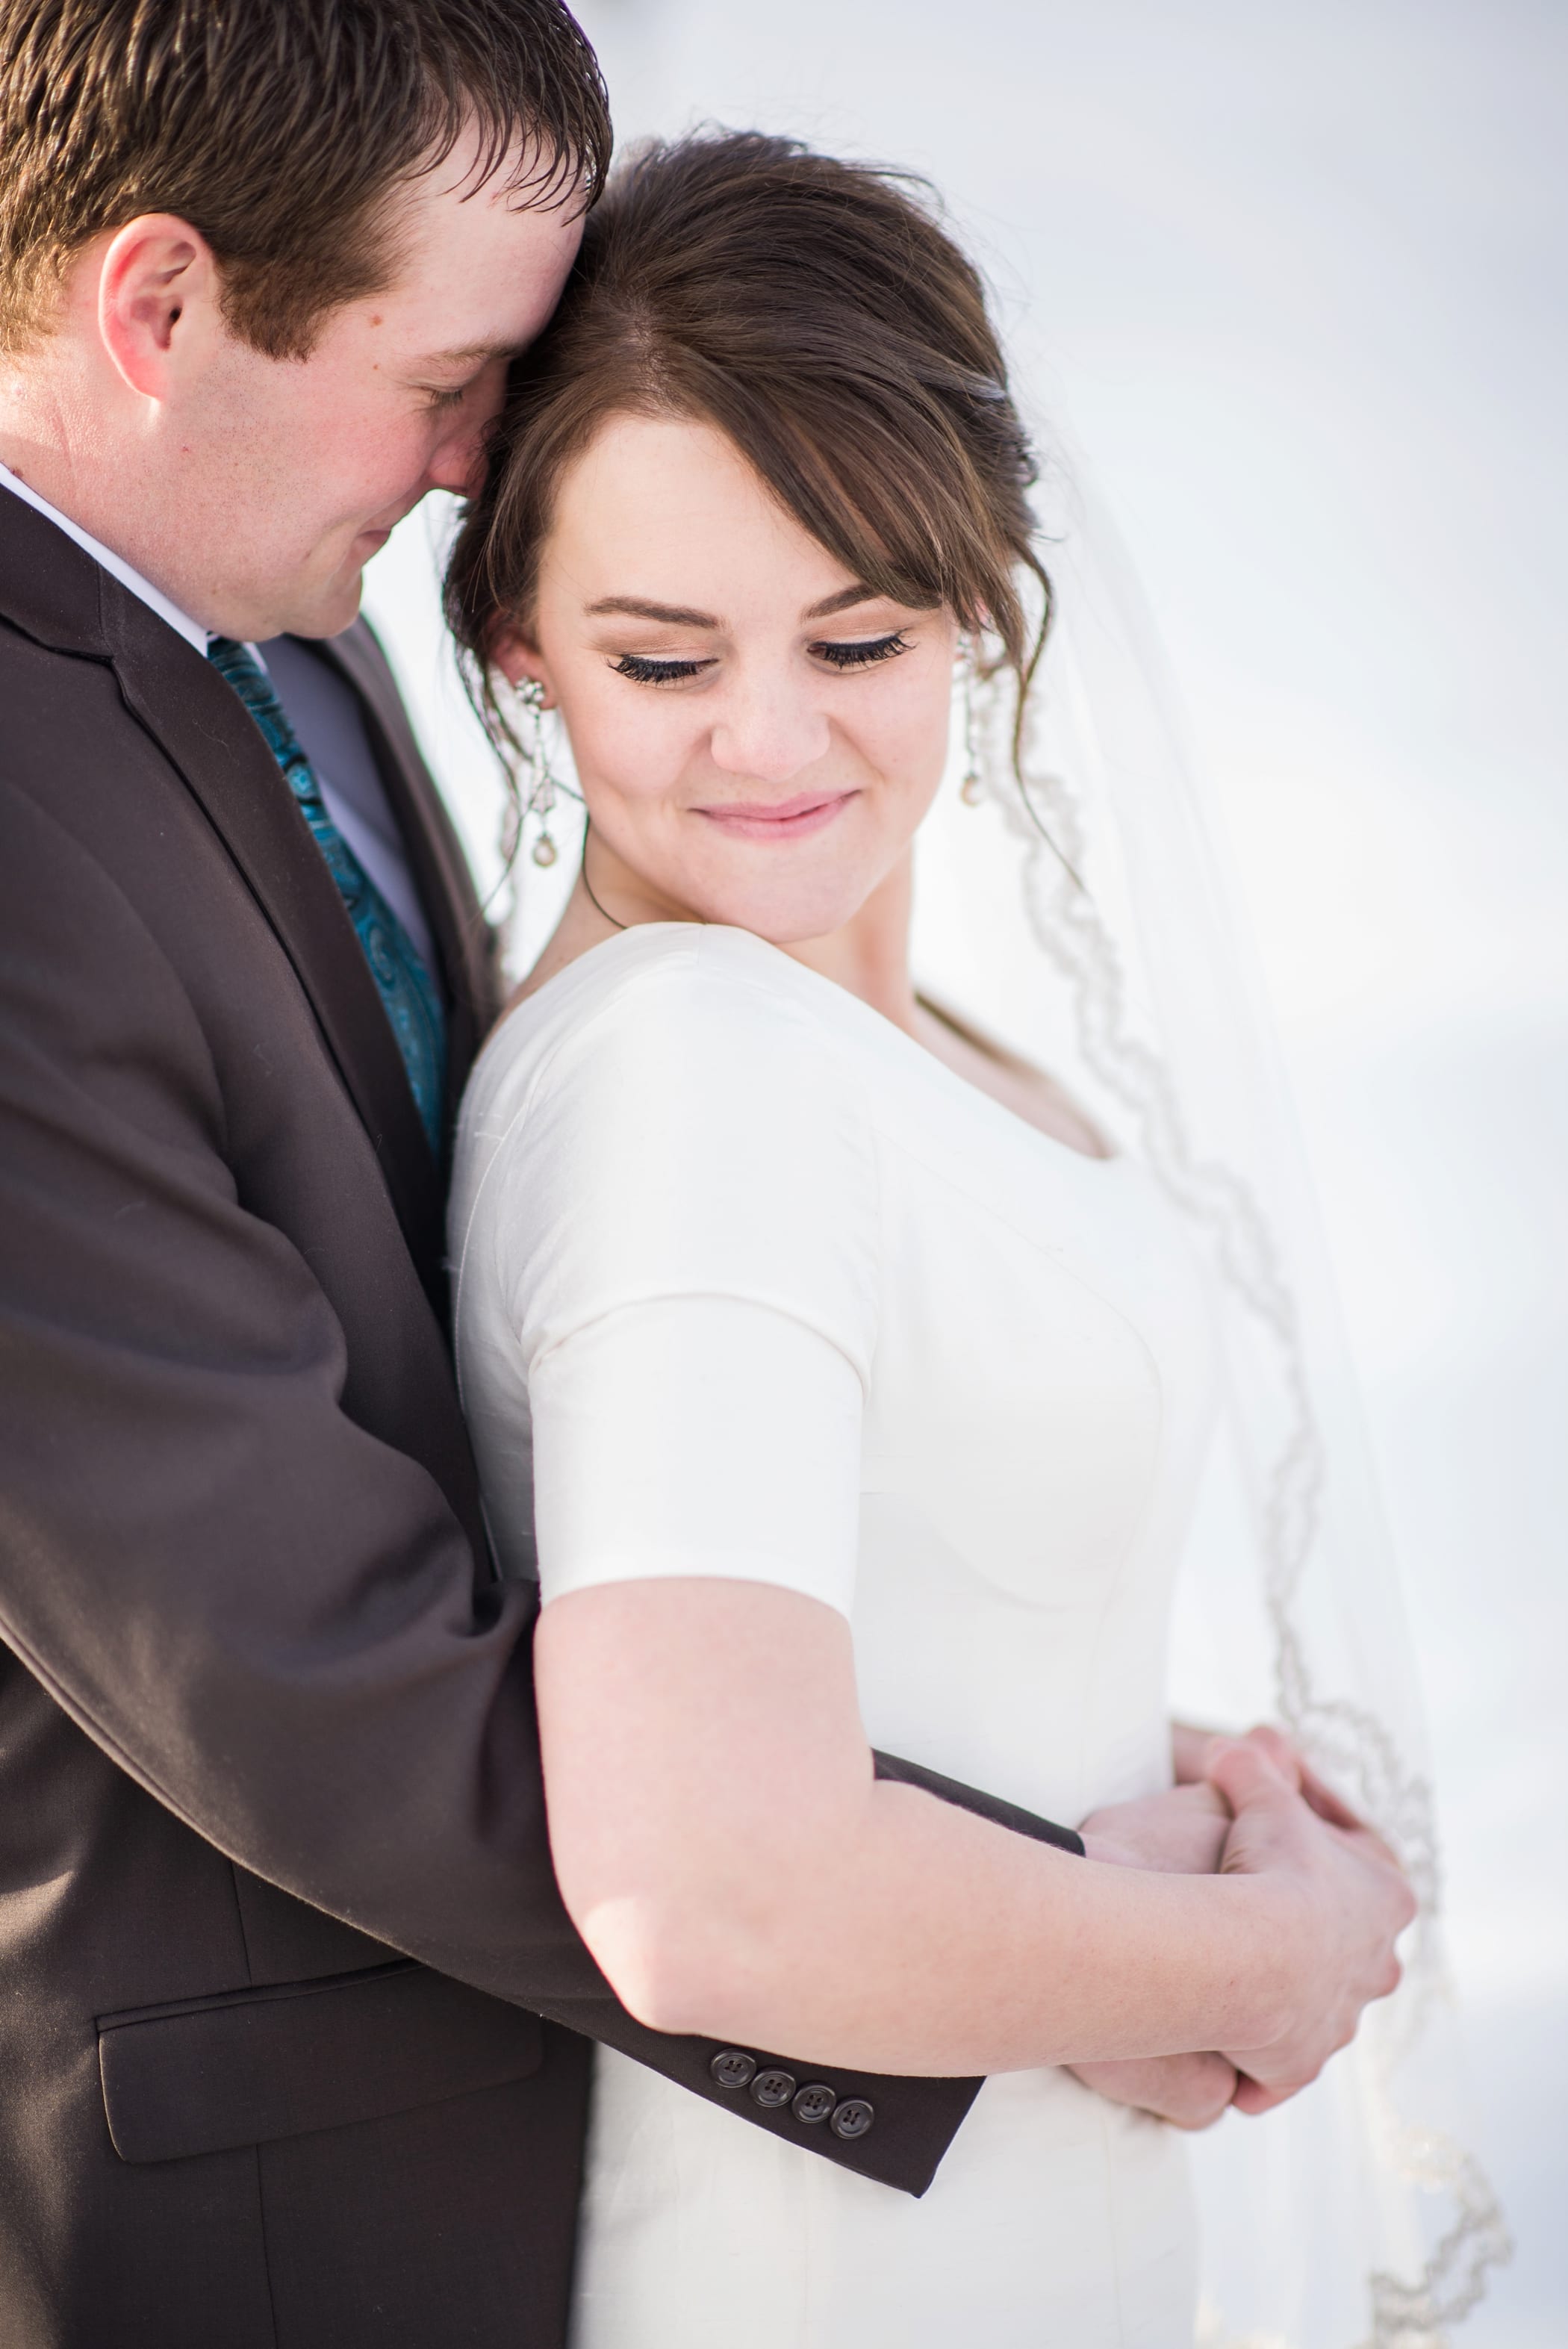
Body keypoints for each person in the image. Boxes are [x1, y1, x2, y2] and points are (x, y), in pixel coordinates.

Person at [0, 9, 1406, 2345]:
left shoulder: (284, 629)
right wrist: (1094, 1929)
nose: (478, 459)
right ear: (160, 311)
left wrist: (1018, 1732)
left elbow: (537, 1451)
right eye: (454, 372)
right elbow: (294, 1659)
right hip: (289, 2194)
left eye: (855, 632)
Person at [444, 131, 1419, 2347]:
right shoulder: (698, 1065)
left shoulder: (849, 1042)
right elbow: (716, 1883)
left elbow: (841, 1595)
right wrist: (1276, 1955)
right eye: (663, 654)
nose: (771, 741)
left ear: (974, 597)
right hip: (827, 2269)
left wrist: (1177, 1779)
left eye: (858, 635)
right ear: (517, 644)